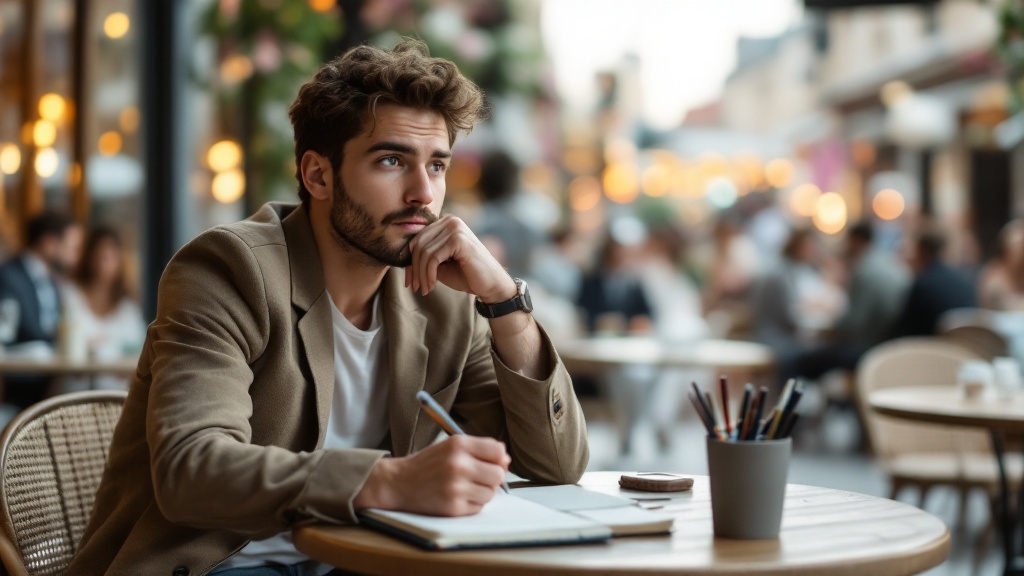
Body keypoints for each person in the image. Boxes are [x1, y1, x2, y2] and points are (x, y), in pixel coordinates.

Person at [68, 39, 587, 576]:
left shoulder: (445, 302)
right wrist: (391, 481)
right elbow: (191, 470)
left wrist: (506, 300)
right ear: (318, 175)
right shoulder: (229, 269)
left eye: (436, 166)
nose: (423, 195)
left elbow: (556, 465)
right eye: (391, 160)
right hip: (219, 565)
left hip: (363, 562)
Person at [792, 221, 910, 380]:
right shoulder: (886, 262)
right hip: (896, 344)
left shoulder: (865, 270)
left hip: (875, 349)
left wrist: (831, 328)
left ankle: (803, 403)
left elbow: (853, 325)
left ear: (856, 241)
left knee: (802, 360)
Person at [0, 210, 83, 409]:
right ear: (49, 243)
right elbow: (5, 335)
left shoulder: (52, 282)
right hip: (15, 392)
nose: (76, 257)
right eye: (72, 248)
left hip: (45, 388)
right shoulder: (8, 277)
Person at [59, 227, 146, 391]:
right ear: (89, 258)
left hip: (118, 394)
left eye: (110, 258)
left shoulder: (127, 307)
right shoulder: (70, 295)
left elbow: (139, 352)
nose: (104, 264)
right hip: (75, 393)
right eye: (99, 256)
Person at [890, 224, 977, 337]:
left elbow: (905, 326)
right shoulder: (965, 280)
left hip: (932, 348)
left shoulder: (923, 284)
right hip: (965, 347)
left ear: (921, 250)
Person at [977, 219, 1024, 311]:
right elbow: (995, 303)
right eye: (1015, 246)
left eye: (1021, 247)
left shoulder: (1020, 271)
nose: (1018, 252)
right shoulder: (994, 272)